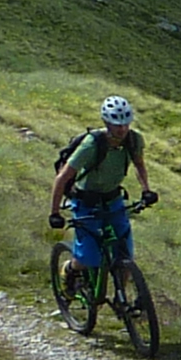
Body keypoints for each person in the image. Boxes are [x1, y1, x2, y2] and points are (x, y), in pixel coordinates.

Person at [51, 94, 153, 288]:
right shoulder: (91, 145)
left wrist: (146, 190)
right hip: (86, 203)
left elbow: (139, 165)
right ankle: (70, 269)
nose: (122, 128)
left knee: (125, 255)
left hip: (113, 199)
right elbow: (62, 178)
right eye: (117, 124)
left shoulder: (134, 140)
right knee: (88, 258)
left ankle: (122, 303)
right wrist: (54, 213)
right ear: (106, 122)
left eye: (125, 123)